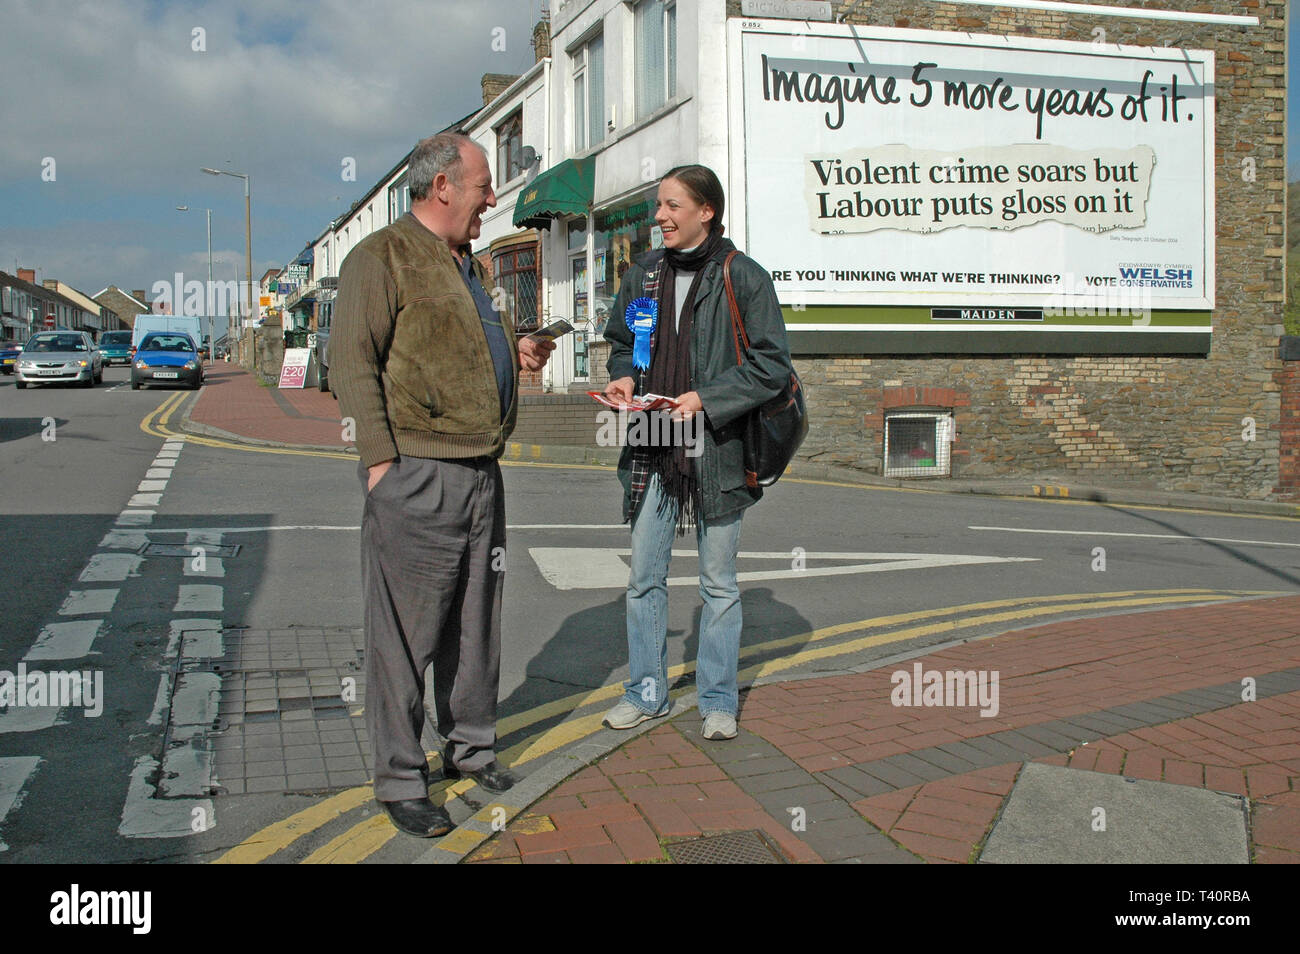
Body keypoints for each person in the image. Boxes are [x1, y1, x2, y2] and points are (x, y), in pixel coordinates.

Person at [330, 132, 554, 837]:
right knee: (406, 637)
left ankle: (471, 747)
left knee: (475, 625)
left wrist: (515, 352)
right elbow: (352, 363)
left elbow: (451, 348)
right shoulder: (381, 256)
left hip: (482, 468)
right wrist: (379, 465)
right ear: (443, 186)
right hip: (418, 473)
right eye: (484, 184)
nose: (493, 197)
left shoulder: (471, 266)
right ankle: (400, 778)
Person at [601, 164, 794, 741]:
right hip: (653, 441)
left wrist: (708, 399)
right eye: (658, 206)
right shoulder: (644, 276)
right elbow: (621, 343)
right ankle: (647, 692)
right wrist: (623, 380)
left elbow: (771, 366)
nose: (659, 216)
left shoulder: (743, 277)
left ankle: (717, 700)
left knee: (718, 584)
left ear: (706, 211)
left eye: (671, 206)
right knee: (642, 580)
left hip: (717, 446)